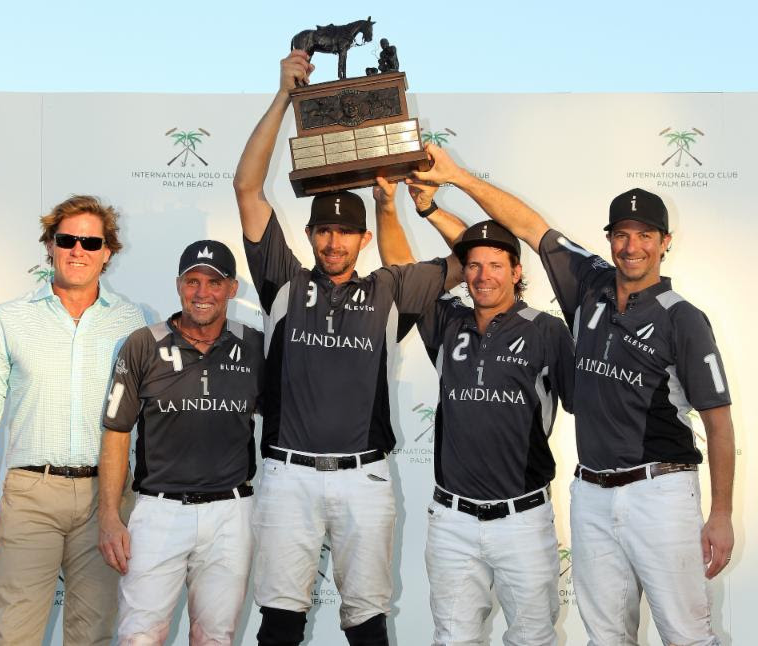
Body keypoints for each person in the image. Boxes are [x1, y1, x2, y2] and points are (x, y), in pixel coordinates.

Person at [411, 144, 736, 646]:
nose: (632, 246)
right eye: (621, 235)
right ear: (609, 240)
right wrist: (454, 179)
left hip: (661, 492)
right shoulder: (589, 285)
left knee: (687, 635)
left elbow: (718, 422)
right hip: (591, 494)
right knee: (605, 636)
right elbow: (523, 231)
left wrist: (721, 513)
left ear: (665, 242)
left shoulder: (683, 317)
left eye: (645, 235)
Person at [233, 50, 451, 646]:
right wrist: (284, 95)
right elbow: (247, 187)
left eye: (345, 232)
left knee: (367, 623)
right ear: (308, 234)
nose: (333, 242)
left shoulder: (386, 290)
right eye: (324, 230)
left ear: (362, 238)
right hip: (287, 475)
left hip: (365, 478)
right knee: (279, 623)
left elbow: (474, 259)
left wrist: (413, 205)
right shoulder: (283, 282)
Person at [376, 178, 574, 645]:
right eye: (474, 266)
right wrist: (388, 208)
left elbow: (587, 406)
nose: (484, 276)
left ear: (517, 271)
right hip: (452, 522)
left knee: (533, 639)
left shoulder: (548, 331)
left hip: (523, 520)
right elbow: (403, 272)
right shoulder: (448, 322)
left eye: (496, 265)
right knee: (453, 639)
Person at [0, 195, 147, 646]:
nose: (78, 250)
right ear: (50, 245)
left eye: (91, 242)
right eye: (67, 240)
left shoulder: (131, 321)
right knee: (14, 637)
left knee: (93, 637)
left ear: (108, 252)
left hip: (106, 499)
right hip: (31, 496)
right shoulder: (9, 319)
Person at [98, 239, 263, 645]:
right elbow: (116, 432)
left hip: (230, 514)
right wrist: (109, 516)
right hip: (158, 511)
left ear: (232, 288)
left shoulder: (255, 345)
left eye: (214, 282)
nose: (202, 292)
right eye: (192, 281)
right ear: (178, 285)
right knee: (140, 637)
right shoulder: (143, 343)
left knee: (215, 637)